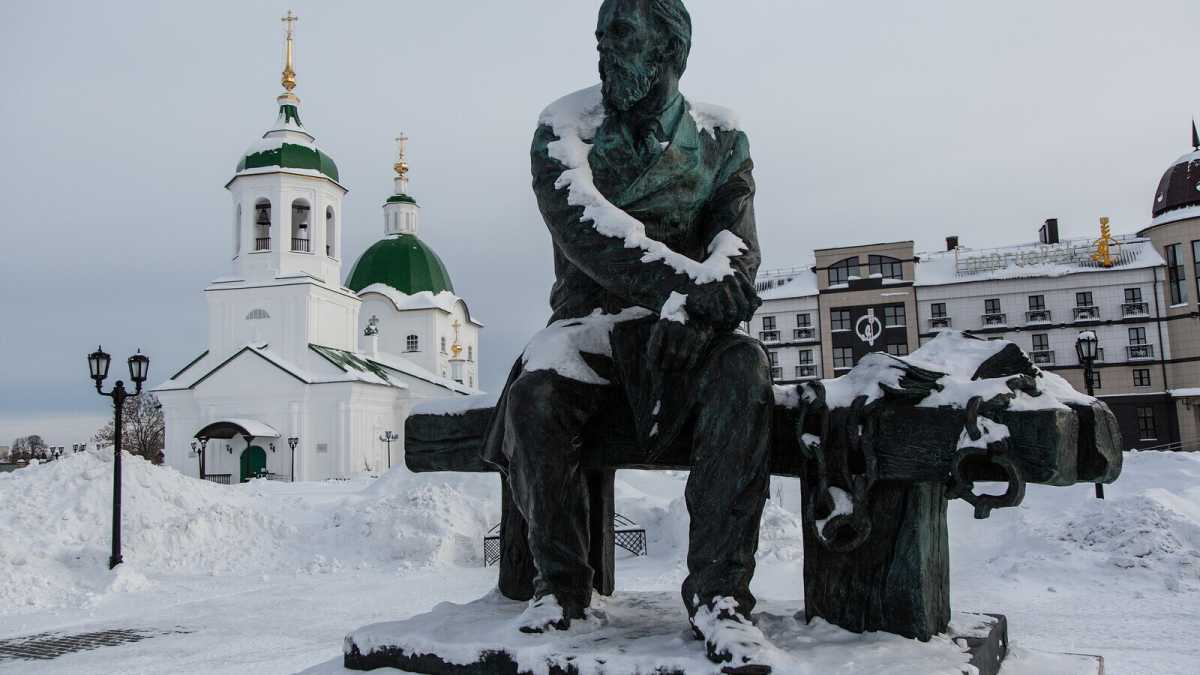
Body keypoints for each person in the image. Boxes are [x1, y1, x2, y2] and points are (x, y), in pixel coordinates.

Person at [481, 0, 774, 671]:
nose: (603, 51)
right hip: (592, 326)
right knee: (537, 394)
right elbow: (591, 235)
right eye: (601, 37)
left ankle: (720, 596)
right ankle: (560, 586)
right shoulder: (564, 130)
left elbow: (737, 243)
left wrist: (699, 306)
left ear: (669, 52)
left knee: (745, 370)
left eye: (620, 37)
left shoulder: (722, 140)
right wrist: (687, 289)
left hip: (691, 335)